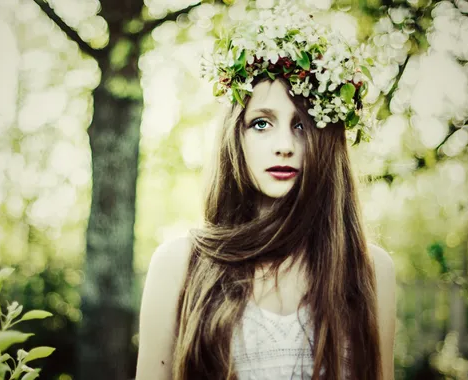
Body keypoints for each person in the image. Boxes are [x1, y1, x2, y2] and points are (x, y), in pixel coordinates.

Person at [135, 2, 396, 380]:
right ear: (234, 137)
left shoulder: (369, 271)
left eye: (302, 126)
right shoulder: (179, 265)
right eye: (261, 123)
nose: (284, 145)